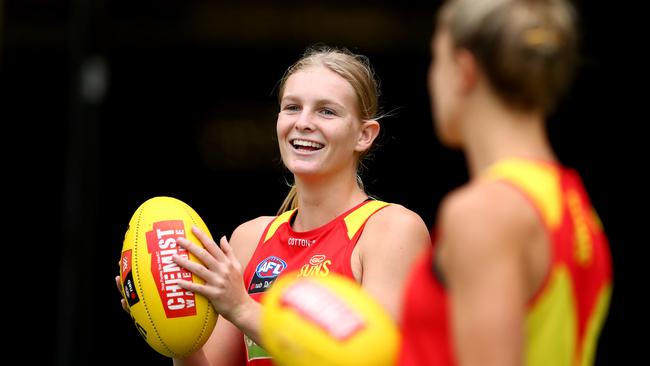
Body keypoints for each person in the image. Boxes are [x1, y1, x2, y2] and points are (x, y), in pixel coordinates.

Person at [115, 45, 431, 365]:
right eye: (292, 107)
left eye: (327, 111)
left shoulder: (391, 229)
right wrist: (170, 326)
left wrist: (243, 309)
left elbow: (378, 358)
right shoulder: (250, 238)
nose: (304, 122)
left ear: (365, 135)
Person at [398, 0, 613, 365]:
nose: (430, 79)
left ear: (464, 70)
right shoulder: (570, 202)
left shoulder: (485, 213)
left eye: (436, 59)